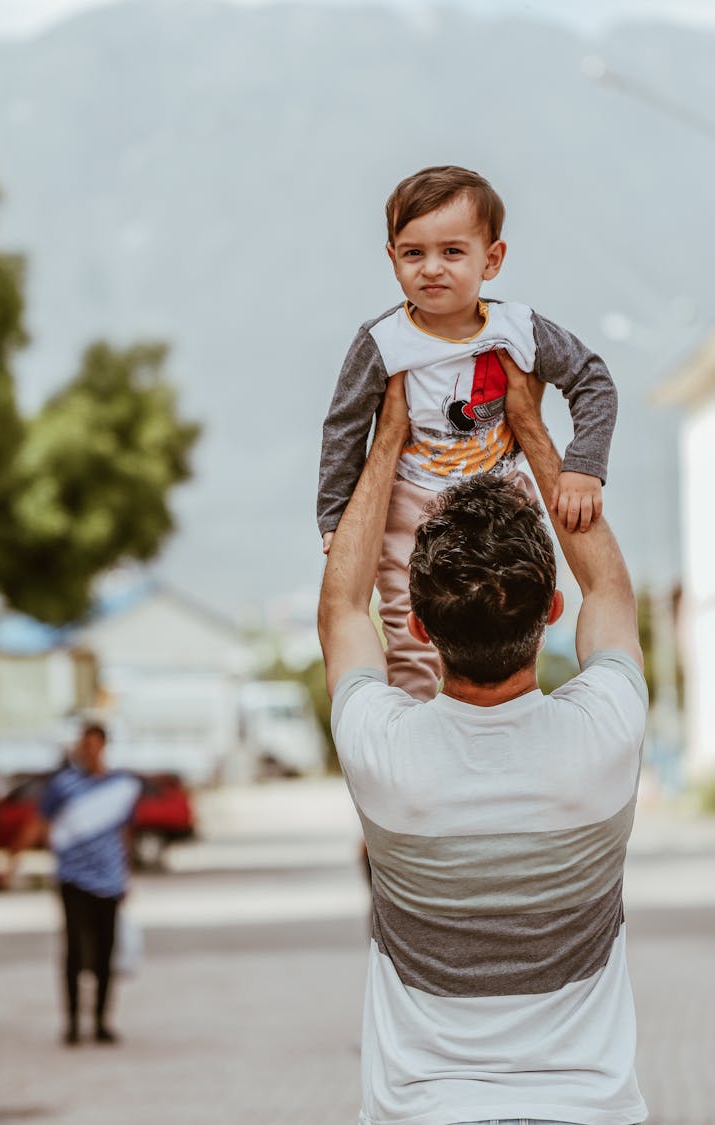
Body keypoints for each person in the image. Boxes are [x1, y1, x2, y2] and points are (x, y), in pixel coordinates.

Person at [317, 365, 648, 1125]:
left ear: (420, 625)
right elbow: (611, 595)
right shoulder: (606, 734)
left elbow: (343, 607)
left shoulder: (383, 754)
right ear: (551, 609)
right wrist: (532, 428)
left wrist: (388, 438)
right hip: (589, 1111)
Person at [318, 165, 617, 700]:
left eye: (452, 252)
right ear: (392, 259)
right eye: (413, 253)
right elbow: (344, 426)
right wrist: (335, 519)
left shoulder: (520, 329)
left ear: (492, 259)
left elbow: (592, 380)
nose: (432, 268)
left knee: (510, 611)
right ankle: (411, 721)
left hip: (504, 492)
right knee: (408, 623)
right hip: (411, 497)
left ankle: (515, 705)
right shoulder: (382, 341)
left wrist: (583, 466)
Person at [8, 723, 141, 1046]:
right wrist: (15, 858)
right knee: (74, 949)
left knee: (105, 951)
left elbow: (124, 834)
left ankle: (100, 1021)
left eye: (95, 744)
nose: (90, 750)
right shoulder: (64, 785)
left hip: (108, 879)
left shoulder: (120, 786)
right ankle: (71, 1023)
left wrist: (126, 874)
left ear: (104, 746)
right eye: (86, 744)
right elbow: (40, 822)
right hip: (72, 877)